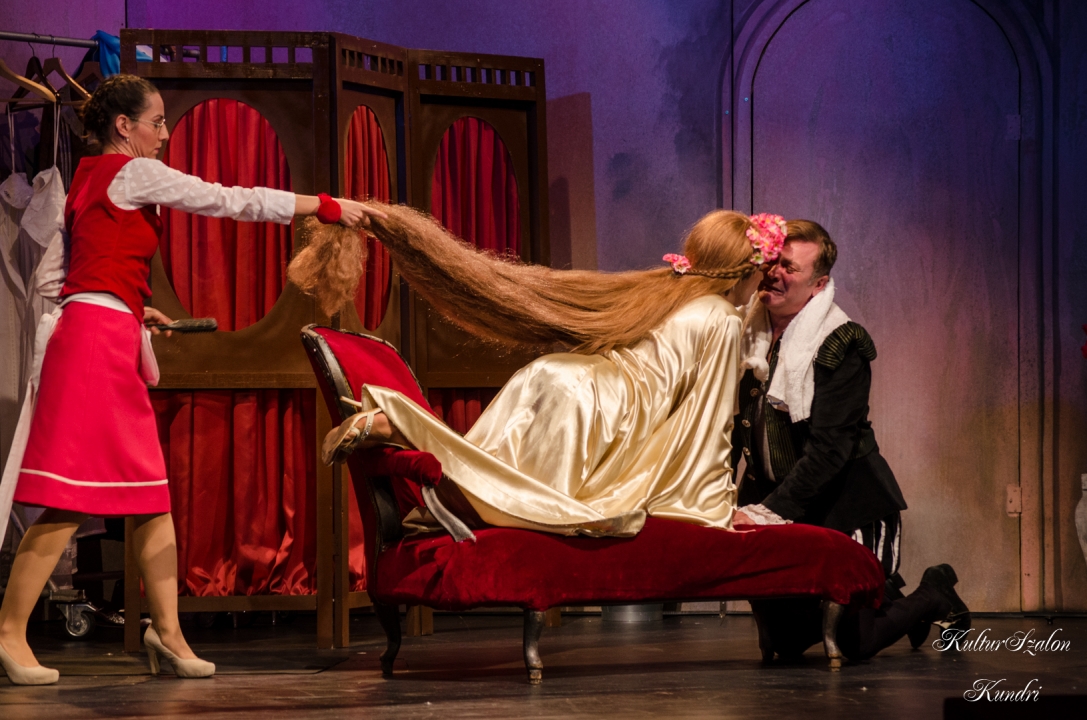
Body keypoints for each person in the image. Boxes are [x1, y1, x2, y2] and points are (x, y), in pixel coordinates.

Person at [0, 74, 384, 685]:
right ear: (123, 126)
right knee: (72, 496)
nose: (164, 134)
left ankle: (168, 633)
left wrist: (129, 305)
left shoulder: (87, 179)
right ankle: (9, 633)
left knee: (150, 492)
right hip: (94, 347)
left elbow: (63, 276)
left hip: (103, 334)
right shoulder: (129, 172)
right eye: (156, 122)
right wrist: (322, 205)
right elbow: (226, 199)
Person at [289, 205, 786, 537]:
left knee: (492, 478)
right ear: (746, 271)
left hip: (559, 378)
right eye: (762, 273)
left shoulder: (666, 291)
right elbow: (708, 423)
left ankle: (401, 428)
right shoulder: (720, 316)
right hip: (603, 409)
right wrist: (712, 506)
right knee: (520, 501)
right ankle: (402, 422)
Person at [729, 219, 969, 661]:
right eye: (773, 262)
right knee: (783, 646)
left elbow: (830, 451)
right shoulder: (747, 335)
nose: (775, 273)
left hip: (843, 503)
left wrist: (767, 512)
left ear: (818, 285)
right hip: (774, 501)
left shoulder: (840, 343)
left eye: (790, 268)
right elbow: (729, 429)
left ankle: (934, 594)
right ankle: (884, 598)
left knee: (853, 642)